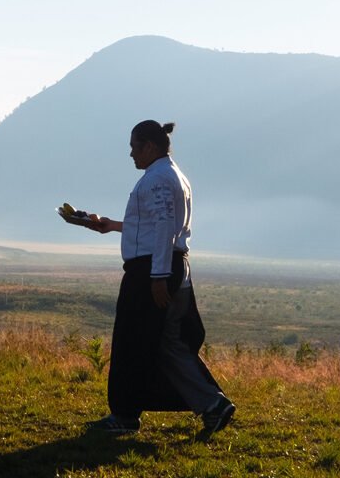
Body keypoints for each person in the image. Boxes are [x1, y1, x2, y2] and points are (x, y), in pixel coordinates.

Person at [72, 120, 234, 436]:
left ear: (149, 146)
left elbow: (163, 227)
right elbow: (154, 225)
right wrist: (111, 225)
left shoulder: (158, 179)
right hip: (169, 266)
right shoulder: (171, 176)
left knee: (132, 342)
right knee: (167, 343)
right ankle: (213, 404)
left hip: (152, 270)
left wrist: (158, 276)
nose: (131, 154)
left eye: (134, 147)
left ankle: (124, 415)